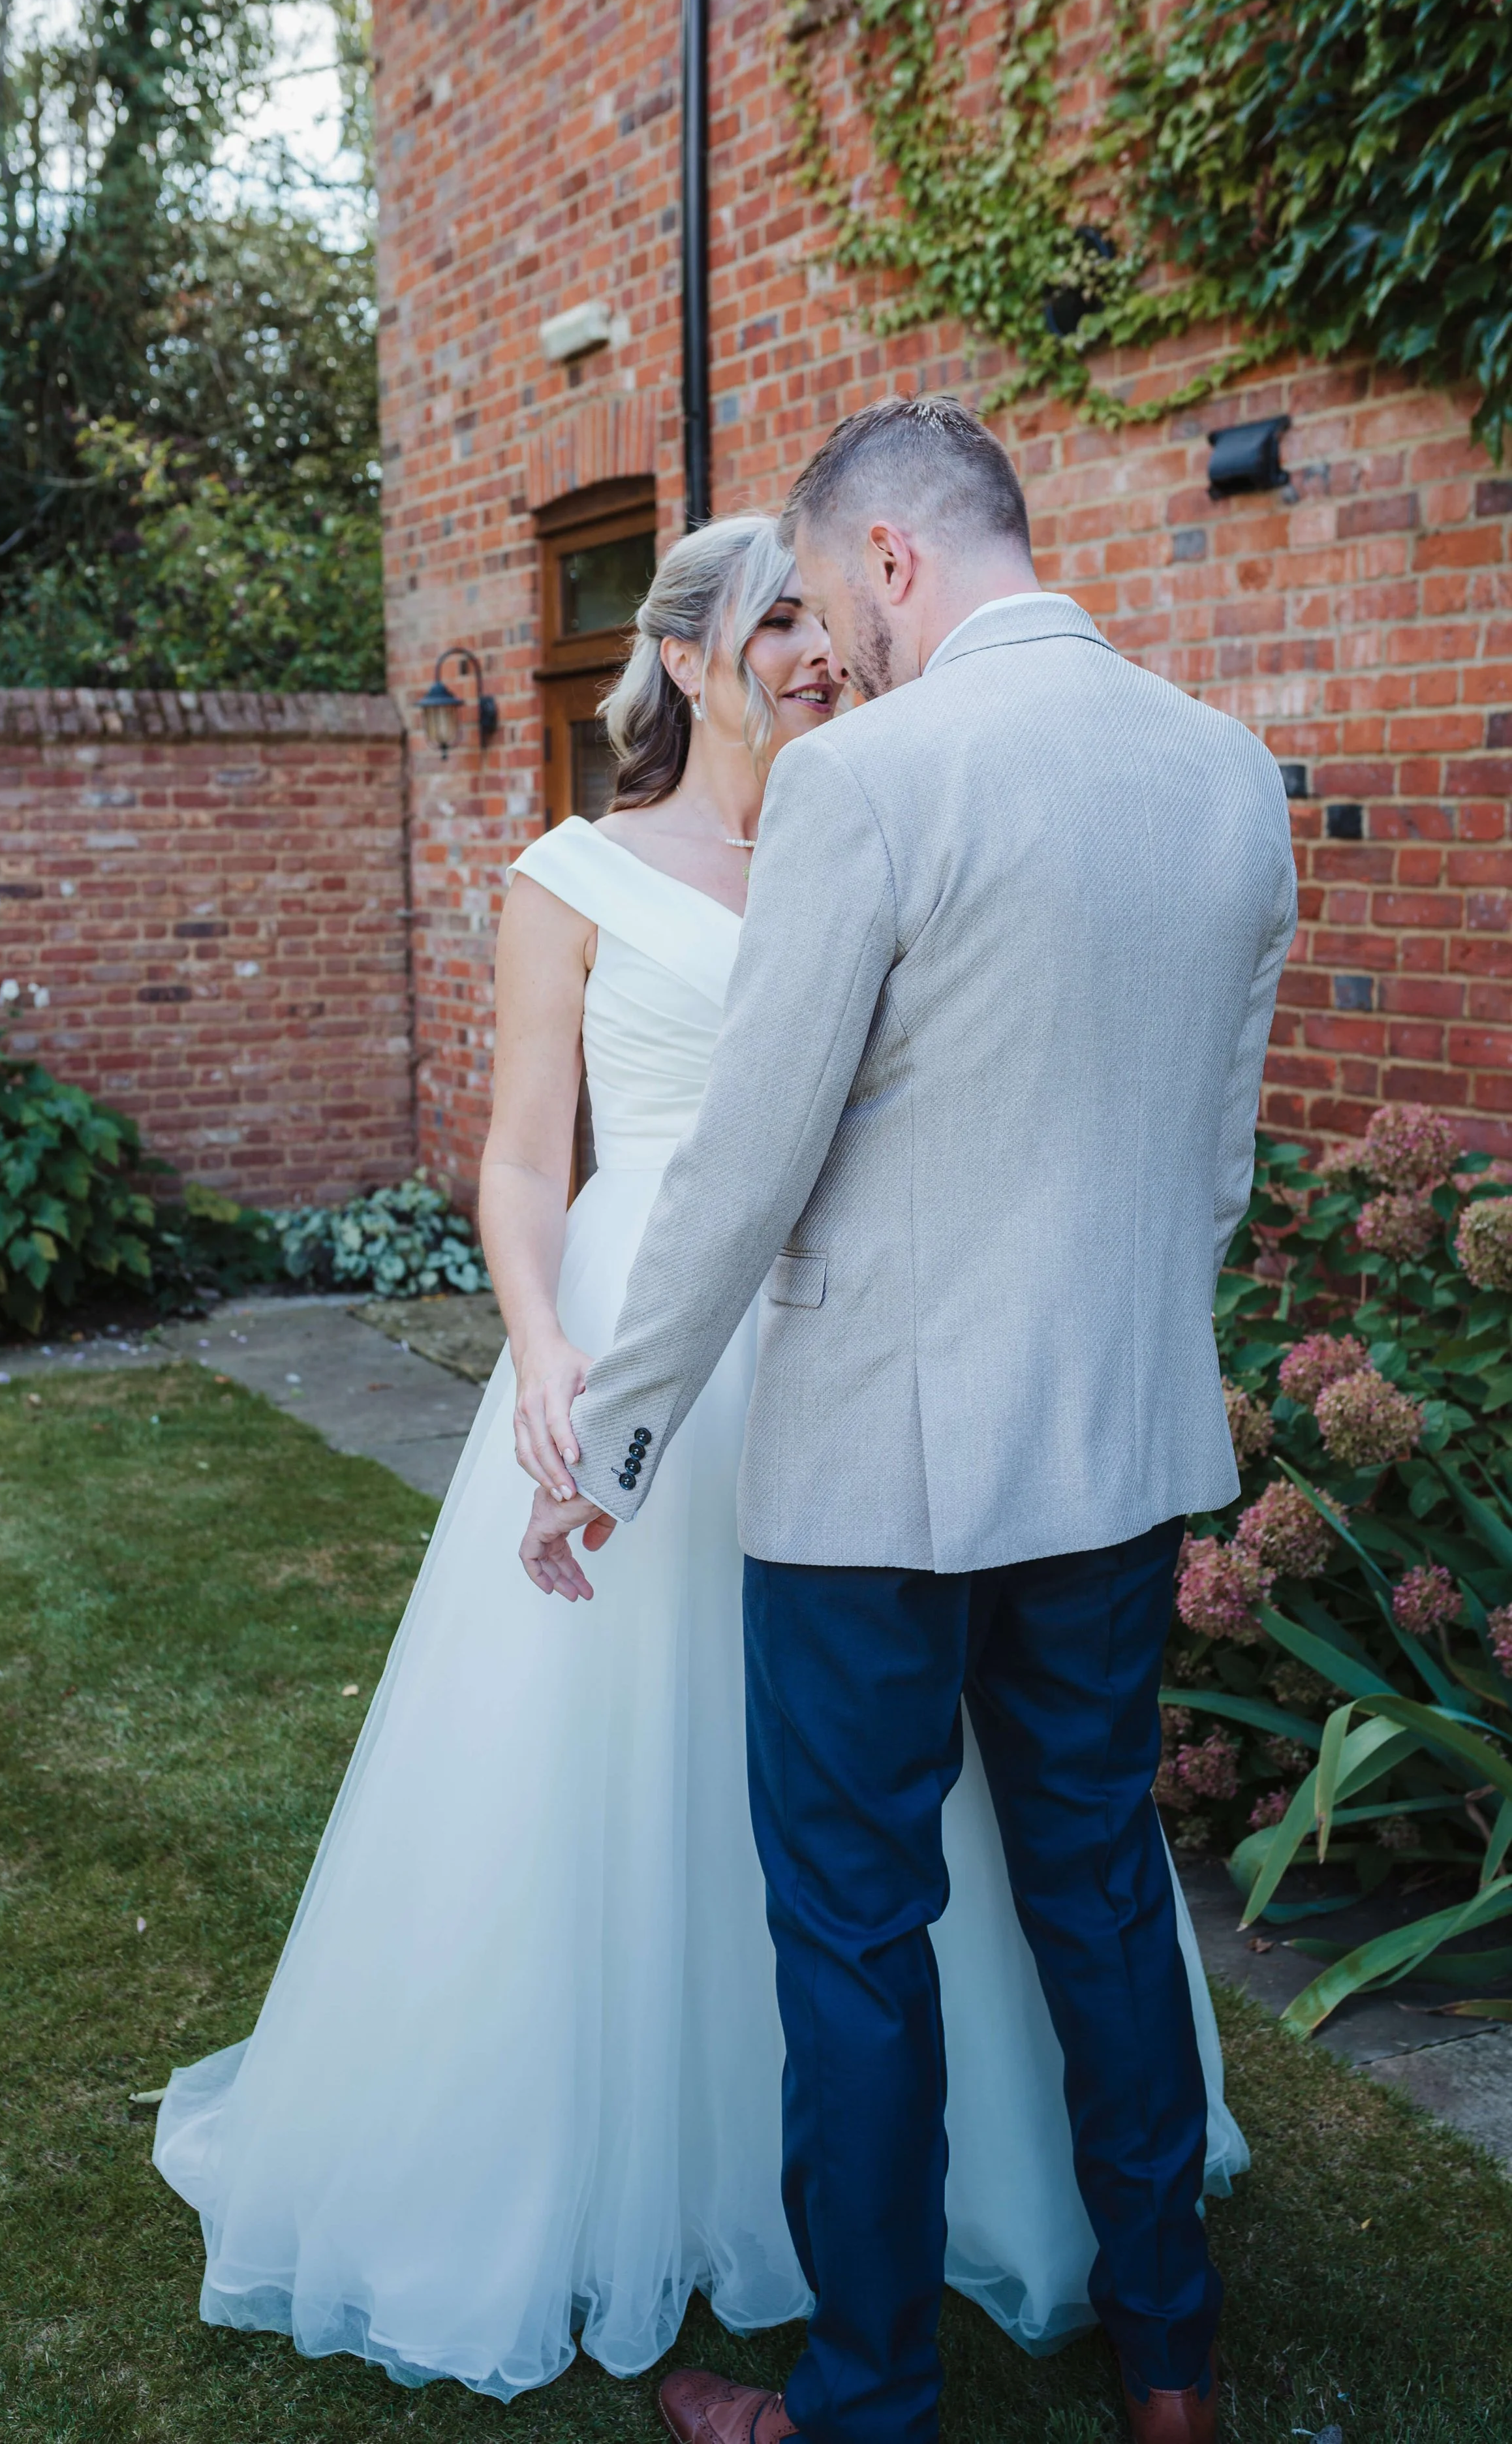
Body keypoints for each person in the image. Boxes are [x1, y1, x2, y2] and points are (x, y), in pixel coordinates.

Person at [151, 508, 1246, 2411]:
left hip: (875, 1386)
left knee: (905, 1871)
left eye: (822, 617)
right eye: (775, 625)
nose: (813, 652)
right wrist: (551, 1344)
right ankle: (728, 2201)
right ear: (676, 652)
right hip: (667, 1345)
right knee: (682, 1817)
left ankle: (900, 2303)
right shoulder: (571, 872)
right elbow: (522, 1154)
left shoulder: (894, 807)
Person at [519, 401, 1297, 2444]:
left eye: (832, 606)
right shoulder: (1226, 772)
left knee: (858, 1933)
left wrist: (610, 1442)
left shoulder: (869, 776)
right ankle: (1170, 2367)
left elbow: (746, 1166)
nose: (829, 660)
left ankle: (862, 2399)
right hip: (1118, 1453)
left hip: (873, 1475)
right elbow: (1209, 1164)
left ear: (884, 557)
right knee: (1103, 1892)